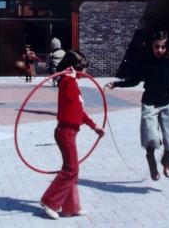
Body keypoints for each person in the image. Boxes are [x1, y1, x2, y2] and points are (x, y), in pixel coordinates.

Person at [105, 30, 169, 181]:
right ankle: (151, 162)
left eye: (163, 47)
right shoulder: (145, 62)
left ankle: (165, 160)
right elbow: (134, 81)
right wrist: (116, 84)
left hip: (167, 104)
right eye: (157, 47)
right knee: (151, 138)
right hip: (149, 104)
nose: (160, 50)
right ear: (152, 46)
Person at [40, 50, 105, 220]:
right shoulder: (67, 83)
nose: (84, 72)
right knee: (71, 169)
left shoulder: (73, 84)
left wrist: (95, 126)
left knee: (72, 170)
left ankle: (71, 207)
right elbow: (68, 91)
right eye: (82, 68)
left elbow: (79, 112)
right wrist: (71, 77)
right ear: (73, 68)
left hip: (71, 131)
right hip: (65, 132)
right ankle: (49, 201)